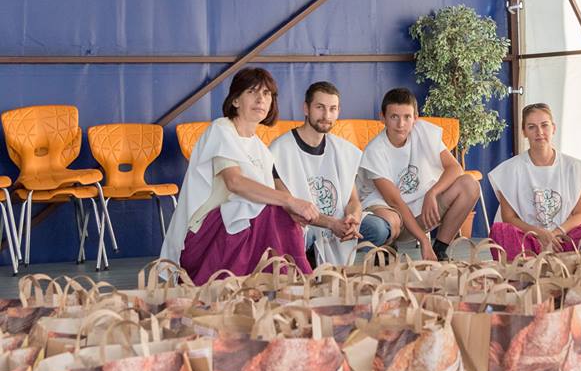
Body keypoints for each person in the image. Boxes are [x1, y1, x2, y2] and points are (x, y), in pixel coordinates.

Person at [161, 68, 318, 284]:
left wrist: (325, 221)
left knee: (282, 212)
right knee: (270, 209)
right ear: (235, 100)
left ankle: (288, 281)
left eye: (266, 93)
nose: (260, 99)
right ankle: (285, 281)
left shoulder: (261, 149)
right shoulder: (221, 129)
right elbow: (234, 182)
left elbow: (280, 194)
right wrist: (289, 201)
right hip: (204, 237)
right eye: (252, 92)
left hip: (233, 233)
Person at [357, 88, 480, 261]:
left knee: (469, 184)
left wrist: (433, 193)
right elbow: (395, 201)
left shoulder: (423, 131)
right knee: (389, 221)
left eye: (407, 117)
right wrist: (423, 241)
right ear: (382, 117)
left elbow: (455, 168)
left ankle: (439, 250)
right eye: (394, 117)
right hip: (393, 214)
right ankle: (387, 248)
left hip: (423, 209)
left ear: (415, 118)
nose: (401, 124)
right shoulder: (374, 150)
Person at [488, 103, 581, 260]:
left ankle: (566, 262)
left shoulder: (573, 167)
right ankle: (526, 268)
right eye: (532, 127)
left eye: (544, 125)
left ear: (553, 128)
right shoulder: (510, 169)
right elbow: (509, 218)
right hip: (529, 240)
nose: (539, 132)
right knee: (500, 230)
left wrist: (556, 234)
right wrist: (539, 234)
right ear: (524, 132)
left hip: (563, 239)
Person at [270, 81, 363, 266]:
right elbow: (288, 207)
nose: (326, 115)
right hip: (303, 226)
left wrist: (353, 219)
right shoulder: (280, 150)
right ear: (306, 108)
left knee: (377, 228)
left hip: (338, 223)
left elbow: (353, 200)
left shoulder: (343, 150)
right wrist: (332, 224)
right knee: (297, 230)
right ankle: (308, 262)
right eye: (320, 107)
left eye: (332, 109)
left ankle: (350, 270)